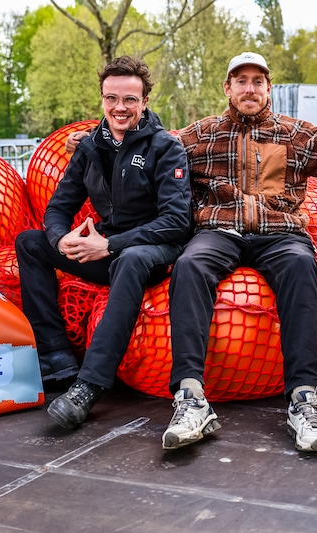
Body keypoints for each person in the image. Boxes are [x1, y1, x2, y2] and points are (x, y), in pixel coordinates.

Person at [65, 54, 317, 452]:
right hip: (218, 230)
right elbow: (146, 139)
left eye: (257, 81)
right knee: (189, 265)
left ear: (268, 88)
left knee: (302, 267)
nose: (249, 88)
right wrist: (92, 142)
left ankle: (303, 398)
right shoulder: (201, 135)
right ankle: (190, 397)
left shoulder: (294, 134)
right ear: (228, 88)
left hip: (279, 233)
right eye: (240, 81)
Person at [15, 56, 191, 430]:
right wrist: (60, 239)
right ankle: (55, 358)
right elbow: (58, 207)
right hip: (106, 249)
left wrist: (110, 245)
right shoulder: (90, 147)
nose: (119, 107)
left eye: (129, 99)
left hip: (155, 253)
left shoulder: (166, 148)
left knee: (131, 258)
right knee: (30, 242)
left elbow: (176, 223)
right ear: (102, 99)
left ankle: (89, 386)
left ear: (144, 102)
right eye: (111, 98)